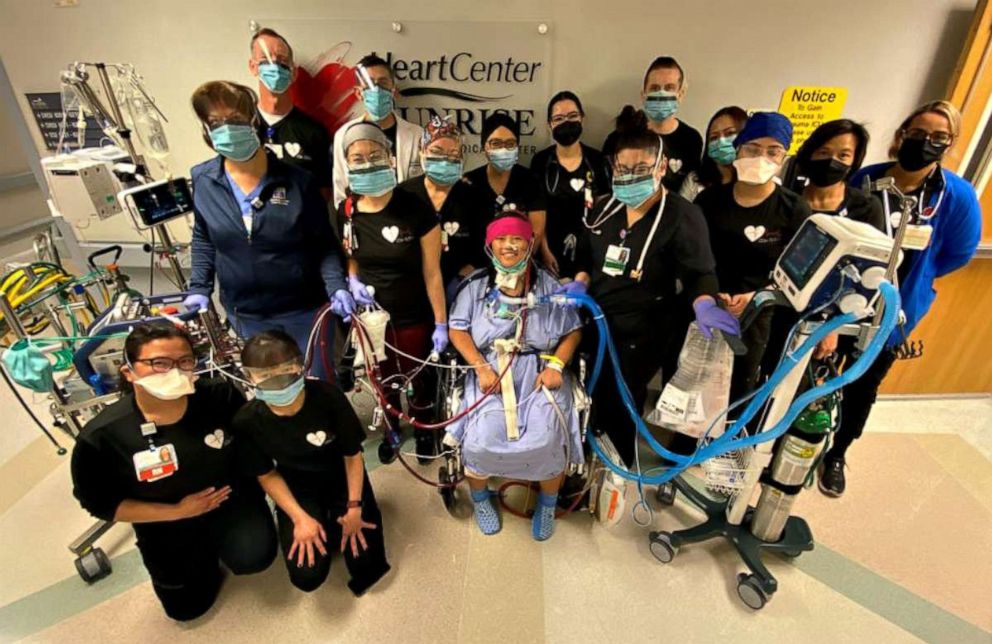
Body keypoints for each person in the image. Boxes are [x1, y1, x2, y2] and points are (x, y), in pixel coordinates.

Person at [817, 100, 982, 497]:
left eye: (938, 138)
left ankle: (837, 454)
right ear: (902, 134)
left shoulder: (955, 197)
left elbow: (957, 254)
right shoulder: (867, 181)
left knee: (863, 384)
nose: (926, 143)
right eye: (919, 133)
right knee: (817, 374)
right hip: (845, 298)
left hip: (894, 309)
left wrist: (915, 279)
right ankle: (797, 439)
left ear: (950, 144)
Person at [70, 323, 276, 621]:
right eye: (159, 363)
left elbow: (254, 447)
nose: (175, 372)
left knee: (254, 557)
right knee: (186, 610)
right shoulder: (103, 436)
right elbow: (101, 503)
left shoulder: (219, 396)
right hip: (164, 521)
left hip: (231, 501)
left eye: (184, 361)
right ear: (128, 371)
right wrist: (178, 511)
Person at [572, 107, 739, 467]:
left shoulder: (682, 216)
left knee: (623, 398)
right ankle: (584, 451)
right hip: (595, 318)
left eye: (641, 170)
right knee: (589, 391)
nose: (630, 177)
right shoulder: (603, 207)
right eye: (623, 169)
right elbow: (585, 255)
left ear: (661, 167)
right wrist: (580, 282)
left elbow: (699, 273)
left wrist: (704, 304)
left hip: (643, 329)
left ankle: (616, 467)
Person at [184, 81, 351, 377]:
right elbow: (204, 238)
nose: (226, 129)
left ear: (253, 123)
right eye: (215, 123)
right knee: (271, 389)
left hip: (304, 310)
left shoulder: (298, 181)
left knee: (316, 384)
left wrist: (336, 285)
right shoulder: (204, 179)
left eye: (234, 120)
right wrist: (199, 287)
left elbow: (323, 243)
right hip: (246, 313)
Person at [446, 213, 584, 540]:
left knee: (548, 437)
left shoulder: (550, 288)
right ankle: (481, 498)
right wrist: (480, 366)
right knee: (480, 440)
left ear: (530, 243)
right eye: (501, 239)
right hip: (490, 370)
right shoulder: (476, 288)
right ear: (489, 245)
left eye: (517, 239)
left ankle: (548, 504)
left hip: (541, 370)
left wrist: (557, 367)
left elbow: (574, 331)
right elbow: (457, 329)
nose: (509, 246)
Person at [234, 331, 390, 595]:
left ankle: (336, 519)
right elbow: (267, 474)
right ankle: (318, 521)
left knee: (365, 563)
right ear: (249, 378)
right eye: (265, 376)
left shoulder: (328, 396)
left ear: (300, 366)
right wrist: (299, 518)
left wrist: (354, 506)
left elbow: (352, 456)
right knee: (307, 576)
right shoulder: (247, 421)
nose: (279, 381)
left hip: (342, 478)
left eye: (286, 370)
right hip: (297, 487)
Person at [336, 121, 447, 463]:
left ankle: (426, 429)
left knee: (417, 379)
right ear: (347, 164)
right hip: (372, 320)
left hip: (413, 314)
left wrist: (441, 324)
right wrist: (352, 281)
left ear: (390, 157)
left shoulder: (416, 207)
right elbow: (351, 256)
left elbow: (432, 272)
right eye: (357, 158)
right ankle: (392, 429)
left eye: (375, 154)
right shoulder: (348, 211)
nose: (367, 163)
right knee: (382, 381)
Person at [762, 119, 886, 374]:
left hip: (823, 322)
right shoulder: (787, 201)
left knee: (797, 393)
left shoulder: (864, 209)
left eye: (843, 154)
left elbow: (861, 282)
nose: (832, 161)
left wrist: (830, 328)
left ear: (855, 160)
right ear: (810, 153)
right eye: (824, 152)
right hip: (774, 311)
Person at [398, 115, 483, 302]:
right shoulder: (403, 194)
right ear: (422, 152)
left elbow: (483, 248)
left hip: (459, 290)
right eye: (436, 152)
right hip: (411, 290)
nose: (445, 160)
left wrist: (463, 278)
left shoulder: (472, 196)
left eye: (453, 154)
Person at [530, 91, 611, 277]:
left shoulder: (597, 160)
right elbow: (537, 212)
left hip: (590, 251)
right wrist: (544, 251)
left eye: (572, 116)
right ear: (549, 124)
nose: (566, 122)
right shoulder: (541, 161)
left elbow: (604, 212)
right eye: (558, 118)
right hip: (550, 251)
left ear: (582, 118)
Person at [249, 28, 333, 201]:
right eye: (265, 59)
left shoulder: (314, 132)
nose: (274, 66)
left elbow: (324, 194)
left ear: (293, 72)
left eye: (282, 61)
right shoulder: (241, 128)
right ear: (253, 66)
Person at [332, 53, 424, 207]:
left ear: (393, 90)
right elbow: (341, 190)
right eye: (368, 85)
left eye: (382, 83)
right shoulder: (344, 135)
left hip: (408, 220)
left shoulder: (417, 135)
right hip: (365, 224)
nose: (376, 90)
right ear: (358, 93)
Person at [602, 57, 703, 195]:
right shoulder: (620, 137)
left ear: (680, 94)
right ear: (643, 95)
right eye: (654, 88)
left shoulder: (691, 140)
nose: (661, 94)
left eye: (669, 88)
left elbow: (690, 189)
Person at [464, 113, 548, 256]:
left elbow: (536, 232)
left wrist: (519, 264)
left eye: (510, 144)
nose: (503, 149)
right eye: (495, 143)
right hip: (477, 265)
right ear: (483, 146)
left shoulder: (530, 181)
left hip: (519, 264)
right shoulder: (469, 182)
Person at [679, 106, 749, 201]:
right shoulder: (695, 179)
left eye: (729, 133)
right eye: (714, 137)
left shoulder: (757, 180)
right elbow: (681, 213)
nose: (721, 141)